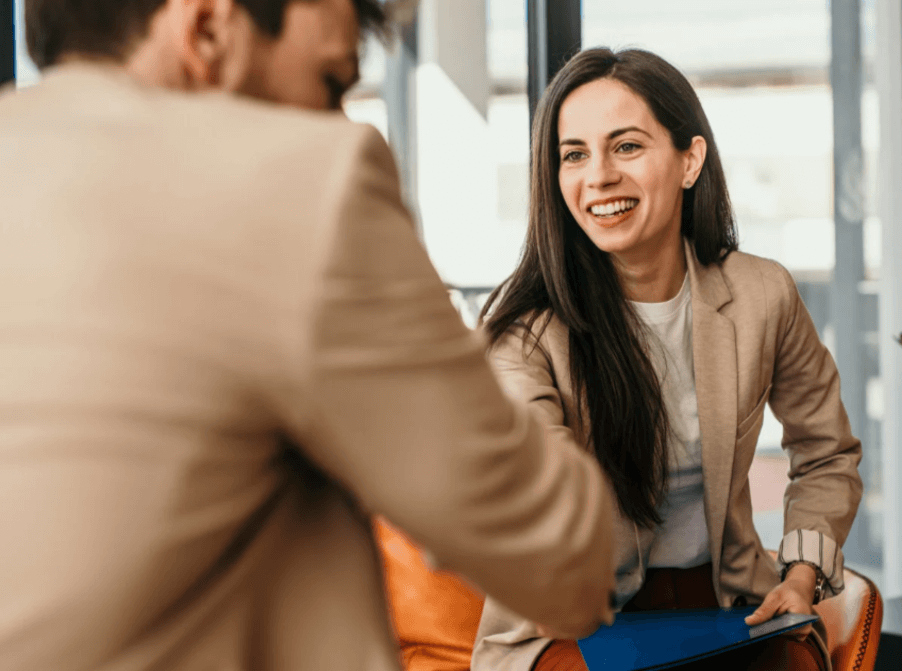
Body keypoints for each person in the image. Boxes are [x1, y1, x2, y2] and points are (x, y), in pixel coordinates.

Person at [0, 1, 617, 669]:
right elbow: (565, 559)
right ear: (207, 31)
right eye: (331, 84)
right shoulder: (299, 183)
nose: (341, 122)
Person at [472, 48, 864, 671]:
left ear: (690, 160)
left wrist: (802, 573)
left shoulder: (763, 296)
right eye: (573, 154)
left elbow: (827, 451)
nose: (597, 176)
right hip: (574, 623)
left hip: (728, 602)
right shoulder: (525, 338)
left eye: (625, 146)